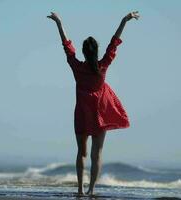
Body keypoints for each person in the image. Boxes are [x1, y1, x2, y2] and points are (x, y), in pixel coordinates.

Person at [47, 11, 139, 196]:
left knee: (82, 153)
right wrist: (124, 21)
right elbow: (114, 44)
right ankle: (91, 190)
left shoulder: (77, 67)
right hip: (99, 115)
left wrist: (59, 22)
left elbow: (67, 46)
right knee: (97, 153)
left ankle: (80, 190)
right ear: (95, 51)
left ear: (84, 52)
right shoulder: (103, 66)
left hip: (81, 114)